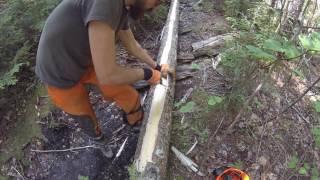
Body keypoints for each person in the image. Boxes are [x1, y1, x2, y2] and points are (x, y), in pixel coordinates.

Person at [35, 0, 169, 140]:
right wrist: (148, 74)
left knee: (129, 95)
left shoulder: (121, 7)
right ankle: (99, 139)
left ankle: (135, 122)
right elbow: (108, 75)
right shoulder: (106, 3)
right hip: (58, 74)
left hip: (86, 62)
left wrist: (156, 67)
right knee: (85, 116)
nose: (160, 2)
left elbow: (132, 45)